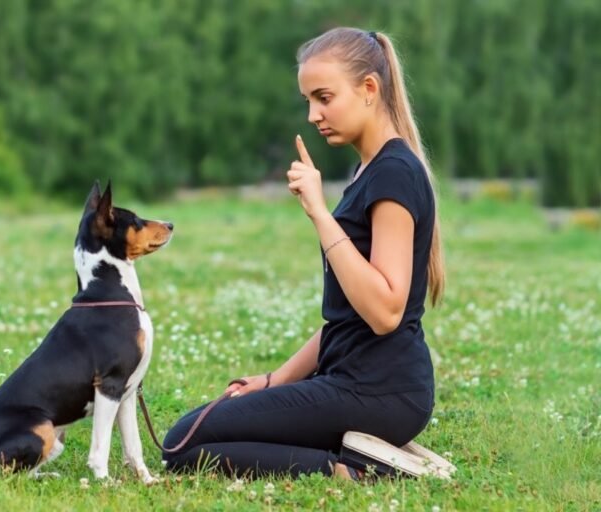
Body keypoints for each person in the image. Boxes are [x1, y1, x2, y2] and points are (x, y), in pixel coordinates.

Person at [162, 26, 445, 481]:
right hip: (352, 383)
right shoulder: (369, 170)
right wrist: (275, 381)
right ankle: (366, 452)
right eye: (308, 100)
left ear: (369, 89)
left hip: (381, 392)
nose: (314, 114)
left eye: (324, 97)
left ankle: (357, 471)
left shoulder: (394, 173)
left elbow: (385, 311)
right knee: (192, 435)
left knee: (182, 444)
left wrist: (318, 212)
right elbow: (346, 317)